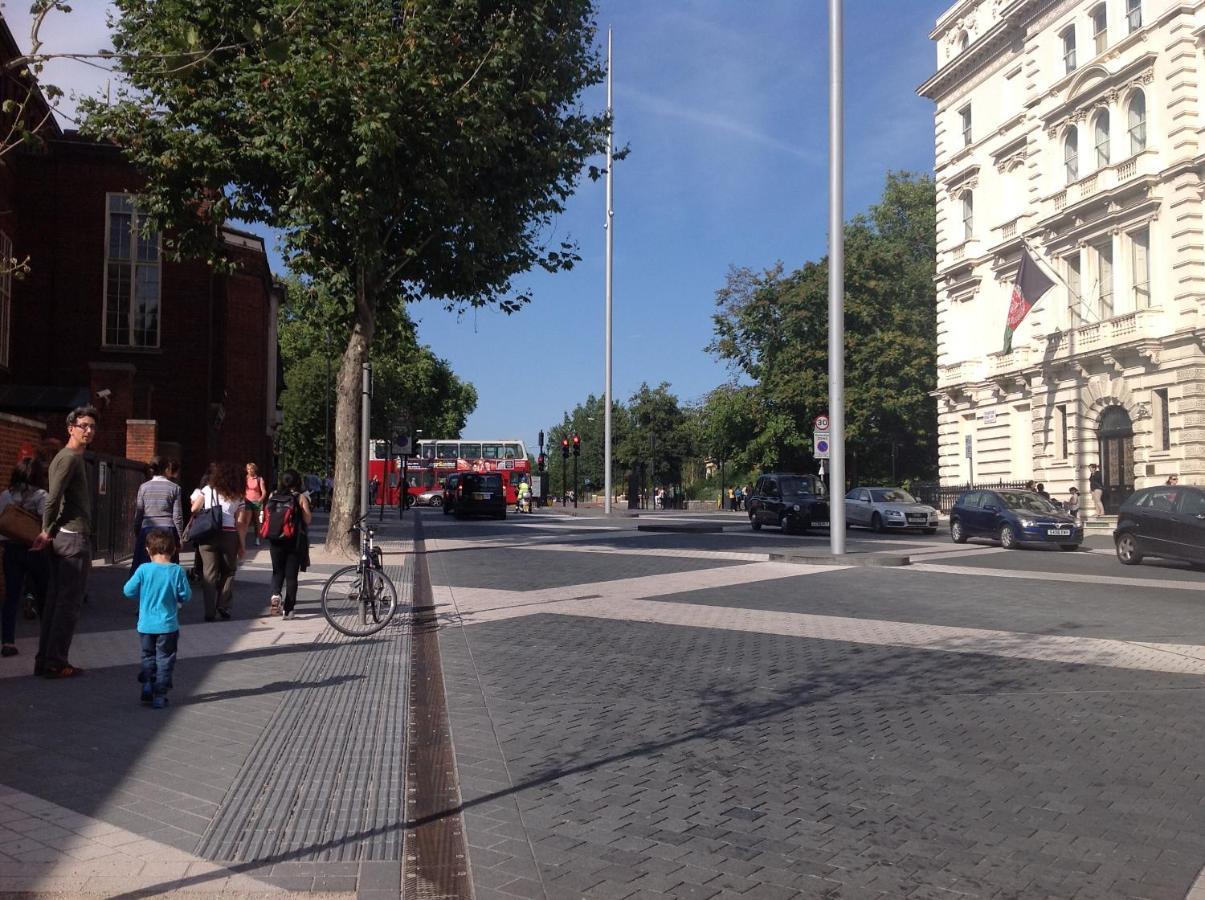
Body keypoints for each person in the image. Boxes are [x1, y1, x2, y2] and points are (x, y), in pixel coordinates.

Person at [32, 405, 99, 679]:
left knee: (56, 602)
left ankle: (46, 660)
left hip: (66, 536)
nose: (89, 430)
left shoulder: (70, 457)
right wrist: (46, 531)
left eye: (92, 426)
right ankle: (56, 662)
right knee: (68, 604)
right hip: (71, 538)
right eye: (83, 425)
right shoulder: (69, 458)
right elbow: (53, 497)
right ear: (70, 427)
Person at [122, 527, 191, 708]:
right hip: (168, 625)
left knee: (148, 655)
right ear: (173, 550)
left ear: (147, 550)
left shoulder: (143, 569)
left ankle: (147, 683)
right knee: (165, 658)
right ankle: (160, 694)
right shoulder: (176, 571)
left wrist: (142, 596)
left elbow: (128, 590)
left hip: (145, 624)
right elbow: (186, 595)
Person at [0, 459, 49, 657]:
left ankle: (8, 642)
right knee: (43, 596)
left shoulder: (5, 495)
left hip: (11, 549)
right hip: (35, 549)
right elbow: (47, 523)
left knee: (11, 596)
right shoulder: (41, 496)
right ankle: (46, 643)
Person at [190, 461, 250, 622]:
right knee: (229, 571)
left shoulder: (207, 490)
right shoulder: (239, 495)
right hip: (229, 535)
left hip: (208, 534)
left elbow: (194, 509)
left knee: (209, 574)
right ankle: (223, 605)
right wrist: (242, 545)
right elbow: (240, 523)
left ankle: (209, 612)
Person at [265, 470, 312, 619]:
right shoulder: (300, 497)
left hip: (275, 539)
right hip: (294, 541)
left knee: (277, 571)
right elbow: (307, 520)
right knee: (291, 576)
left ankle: (275, 595)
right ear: (297, 482)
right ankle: (288, 609)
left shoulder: (273, 495)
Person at [131, 457, 184, 572]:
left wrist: (137, 531)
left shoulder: (143, 487)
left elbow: (139, 512)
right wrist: (179, 537)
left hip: (147, 530)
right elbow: (177, 516)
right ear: (166, 469)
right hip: (168, 530)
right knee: (168, 567)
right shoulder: (174, 488)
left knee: (143, 567)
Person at [244, 463, 267, 547]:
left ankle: (257, 538)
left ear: (255, 469)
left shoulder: (259, 479)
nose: (250, 470)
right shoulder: (245, 479)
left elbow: (264, 491)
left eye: (252, 469)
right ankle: (243, 539)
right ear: (246, 470)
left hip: (256, 501)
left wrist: (261, 499)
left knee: (257, 521)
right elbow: (242, 490)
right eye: (248, 469)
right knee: (247, 520)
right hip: (247, 501)